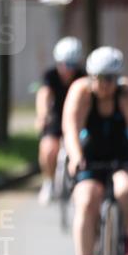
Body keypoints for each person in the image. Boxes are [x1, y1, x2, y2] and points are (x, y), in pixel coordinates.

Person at [62, 46, 128, 255]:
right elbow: (71, 129)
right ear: (91, 76)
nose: (106, 85)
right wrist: (75, 157)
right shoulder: (80, 92)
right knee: (86, 199)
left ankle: (123, 233)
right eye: (101, 79)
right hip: (89, 153)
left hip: (120, 151)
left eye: (111, 79)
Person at [35, 37, 85, 205]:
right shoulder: (50, 76)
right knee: (48, 149)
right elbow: (43, 95)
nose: (68, 69)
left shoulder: (83, 77)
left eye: (72, 64)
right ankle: (49, 182)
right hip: (57, 118)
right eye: (64, 64)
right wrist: (42, 115)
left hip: (78, 119)